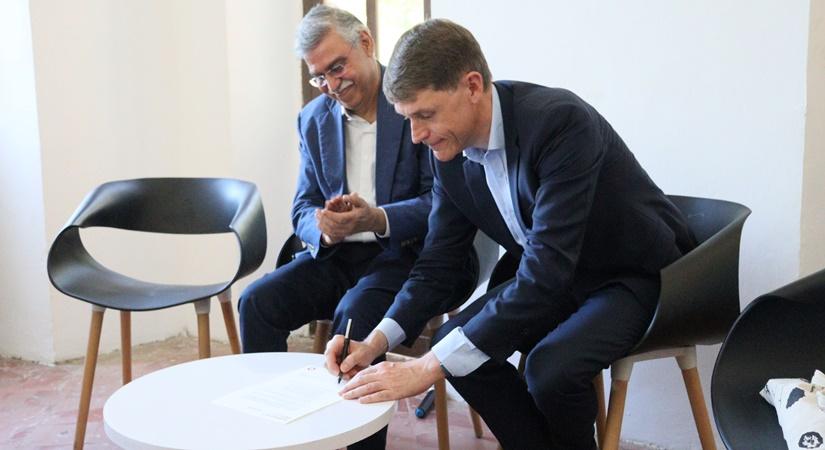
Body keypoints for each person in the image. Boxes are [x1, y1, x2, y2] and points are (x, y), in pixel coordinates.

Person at [325, 18, 697, 449]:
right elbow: (438, 264)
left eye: (425, 114)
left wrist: (426, 368)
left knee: (549, 368)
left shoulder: (560, 123)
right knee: (454, 346)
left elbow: (546, 271)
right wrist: (374, 342)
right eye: (408, 119)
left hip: (634, 275)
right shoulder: (447, 150)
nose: (417, 135)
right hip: (558, 278)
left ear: (472, 85)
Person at [238, 8, 476, 450]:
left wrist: (376, 217)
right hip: (337, 254)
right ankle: (272, 435)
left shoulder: (412, 102)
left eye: (337, 67)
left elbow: (442, 203)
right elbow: (302, 208)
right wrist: (324, 228)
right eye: (319, 76)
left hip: (406, 256)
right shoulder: (313, 120)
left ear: (366, 43)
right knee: (257, 302)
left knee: (357, 318)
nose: (331, 84)